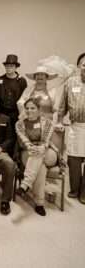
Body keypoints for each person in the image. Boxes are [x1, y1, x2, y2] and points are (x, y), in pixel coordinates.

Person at [16, 98, 55, 216]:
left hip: (48, 152)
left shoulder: (48, 122)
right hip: (28, 152)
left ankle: (26, 183)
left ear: (39, 110)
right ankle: (40, 204)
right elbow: (24, 140)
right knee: (40, 168)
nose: (29, 110)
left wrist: (42, 147)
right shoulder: (19, 124)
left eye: (32, 108)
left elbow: (47, 140)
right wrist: (31, 147)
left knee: (38, 156)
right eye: (27, 108)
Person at [57, 52, 85, 203]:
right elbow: (62, 105)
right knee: (73, 160)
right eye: (83, 64)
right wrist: (60, 121)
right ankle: (75, 189)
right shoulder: (71, 82)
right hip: (76, 126)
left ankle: (84, 192)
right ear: (79, 66)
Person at [0, 55, 27, 125]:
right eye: (7, 66)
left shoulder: (22, 81)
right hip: (1, 112)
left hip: (15, 113)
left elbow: (24, 98)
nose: (8, 68)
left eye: (11, 66)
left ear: (16, 67)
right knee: (1, 132)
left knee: (14, 133)